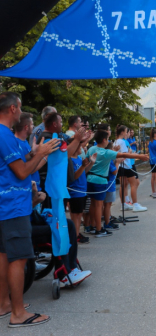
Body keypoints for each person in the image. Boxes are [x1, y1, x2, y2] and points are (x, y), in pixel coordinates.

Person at [0, 92, 60, 328]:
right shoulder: (4, 135)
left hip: (7, 207)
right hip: (12, 207)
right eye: (20, 107)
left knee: (5, 256)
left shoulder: (6, 135)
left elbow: (17, 162)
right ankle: (17, 314)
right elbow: (22, 172)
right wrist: (42, 154)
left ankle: (4, 304)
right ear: (13, 109)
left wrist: (34, 152)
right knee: (20, 257)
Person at [86, 130, 149, 237]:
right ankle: (99, 229)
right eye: (107, 139)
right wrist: (141, 156)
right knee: (98, 205)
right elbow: (123, 154)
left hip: (89, 179)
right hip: (100, 181)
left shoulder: (91, 149)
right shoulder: (105, 152)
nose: (108, 141)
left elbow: (87, 161)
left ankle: (92, 225)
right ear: (104, 140)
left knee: (93, 204)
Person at [67, 138, 96, 243]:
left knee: (79, 214)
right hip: (76, 191)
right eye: (80, 146)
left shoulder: (79, 158)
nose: (82, 148)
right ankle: (74, 238)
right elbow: (74, 176)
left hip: (82, 190)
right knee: (76, 215)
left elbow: (83, 172)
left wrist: (91, 164)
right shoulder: (70, 160)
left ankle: (76, 235)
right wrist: (83, 166)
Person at [114, 125, 147, 212]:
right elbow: (125, 154)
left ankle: (124, 204)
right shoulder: (122, 142)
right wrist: (133, 153)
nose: (127, 133)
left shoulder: (116, 141)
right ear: (122, 132)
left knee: (123, 185)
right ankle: (135, 204)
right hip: (127, 166)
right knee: (134, 184)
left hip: (121, 166)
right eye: (126, 131)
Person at [103, 150, 121, 231]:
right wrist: (117, 163)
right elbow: (114, 172)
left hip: (108, 183)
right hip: (109, 184)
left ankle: (108, 220)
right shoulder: (108, 160)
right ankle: (107, 223)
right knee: (107, 204)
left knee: (108, 204)